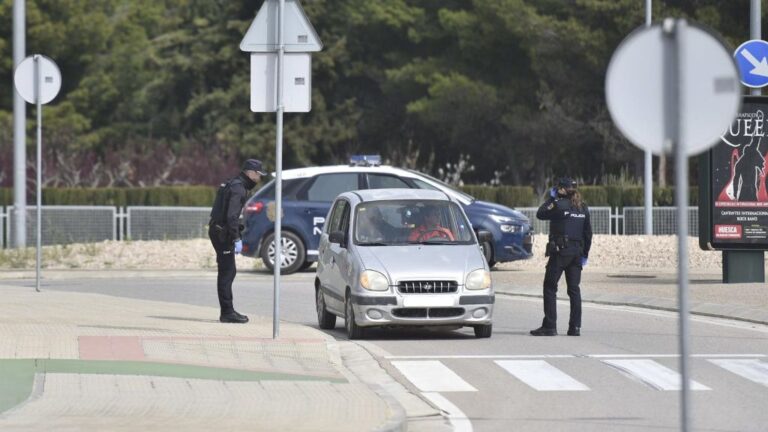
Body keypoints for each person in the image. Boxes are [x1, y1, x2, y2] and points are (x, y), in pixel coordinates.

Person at [530, 177, 592, 337]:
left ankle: (550, 326)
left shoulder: (558, 205)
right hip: (577, 254)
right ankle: (575, 327)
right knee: (574, 290)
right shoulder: (583, 208)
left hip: (560, 252)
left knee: (550, 287)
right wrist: (585, 254)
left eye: (558, 188)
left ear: (562, 190)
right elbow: (588, 233)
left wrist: (551, 198)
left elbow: (540, 213)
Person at [209, 159, 266, 323]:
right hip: (222, 233)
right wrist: (236, 238)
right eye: (258, 174)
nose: (259, 178)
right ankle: (227, 313)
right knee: (227, 273)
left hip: (218, 230)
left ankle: (227, 310)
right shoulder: (238, 188)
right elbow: (231, 216)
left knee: (228, 271)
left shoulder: (233, 184)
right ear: (250, 173)